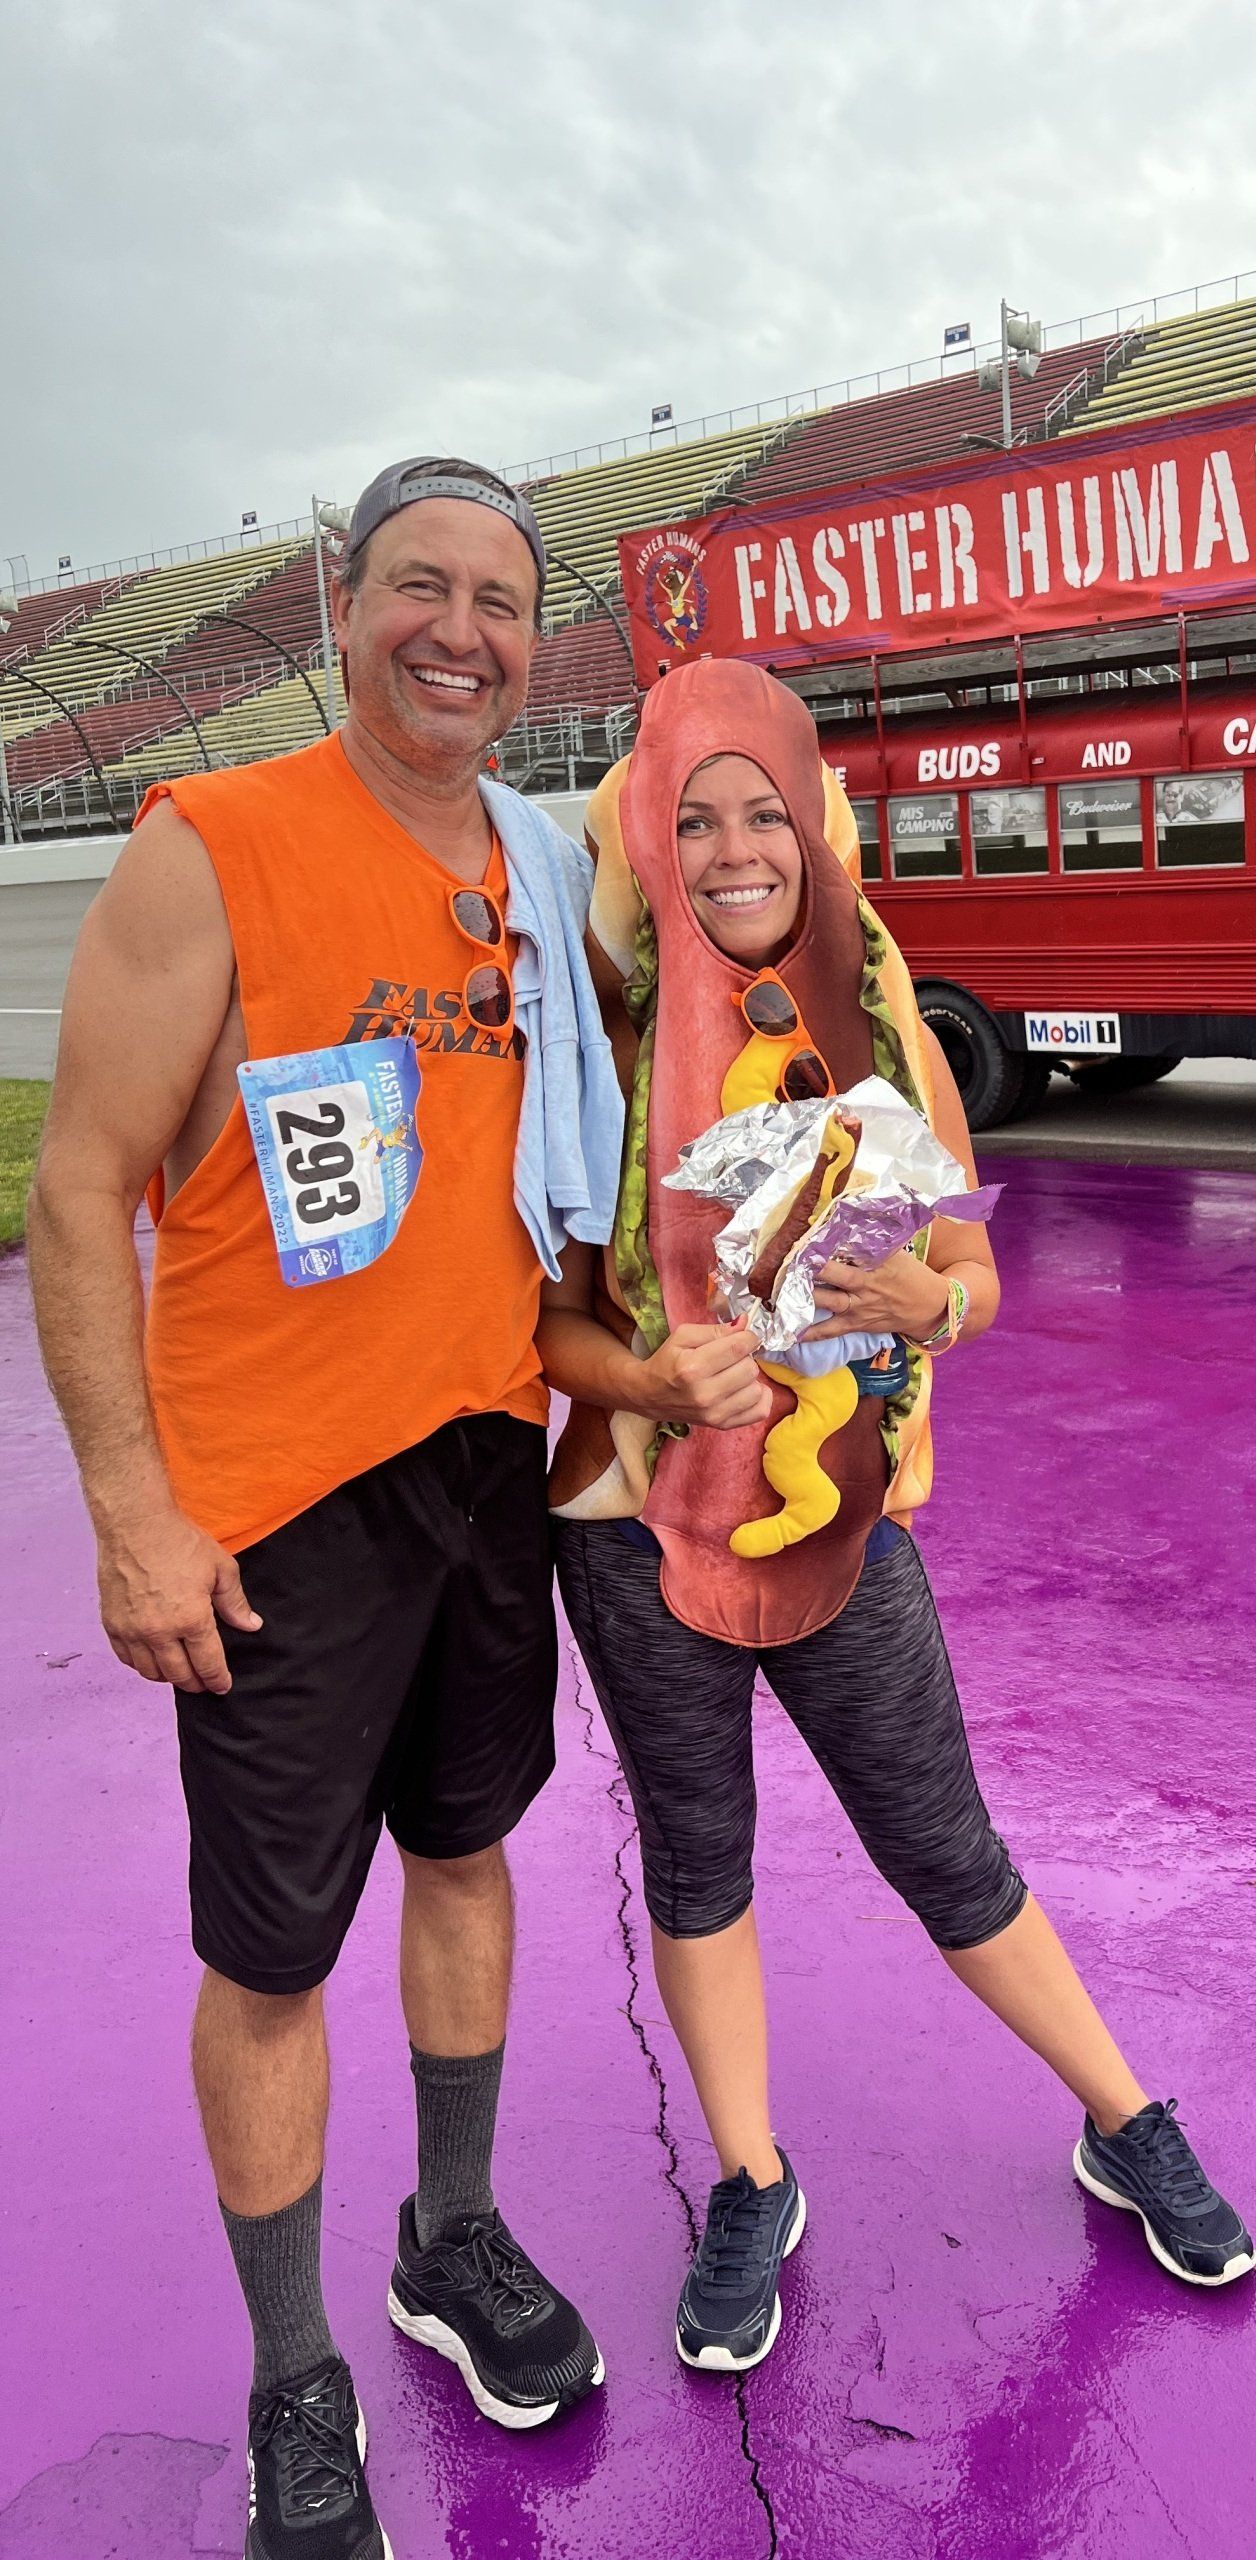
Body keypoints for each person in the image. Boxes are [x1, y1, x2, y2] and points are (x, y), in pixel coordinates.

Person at [540, 657, 1255, 2377]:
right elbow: (550, 1329)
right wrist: (656, 1387)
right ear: (643, 844)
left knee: (945, 1849)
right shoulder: (599, 1050)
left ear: (815, 833)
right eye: (690, 819)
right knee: (700, 1862)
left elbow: (977, 1279)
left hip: (842, 1517)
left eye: (759, 816)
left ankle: (1122, 2116)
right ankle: (750, 2180)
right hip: (632, 1527)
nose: (727, 851)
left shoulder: (884, 1032)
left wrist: (925, 1309)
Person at [29, 459, 604, 2560]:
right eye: (421, 588)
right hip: (276, 1510)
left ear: (541, 642)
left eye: (502, 600)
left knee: (466, 1861)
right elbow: (79, 1180)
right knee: (272, 1955)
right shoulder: (219, 848)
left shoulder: (537, 872)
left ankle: (449, 2238)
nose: (462, 629)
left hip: (481, 1460)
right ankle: (296, 2378)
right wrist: (128, 1507)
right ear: (340, 602)